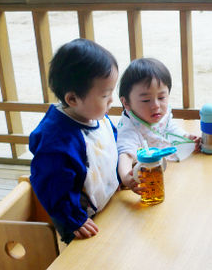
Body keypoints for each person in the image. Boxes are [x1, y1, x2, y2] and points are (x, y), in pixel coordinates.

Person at [29, 38, 119, 244]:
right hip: (77, 217)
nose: (111, 100)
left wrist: (118, 178)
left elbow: (108, 147)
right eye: (105, 94)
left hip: (106, 203)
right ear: (72, 99)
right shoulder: (57, 143)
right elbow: (53, 187)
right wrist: (73, 220)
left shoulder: (94, 115)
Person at [117, 58, 200, 191]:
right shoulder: (130, 127)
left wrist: (185, 136)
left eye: (161, 98)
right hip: (147, 177)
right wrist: (126, 178)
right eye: (146, 100)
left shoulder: (160, 114)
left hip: (167, 170)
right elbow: (125, 154)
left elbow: (168, 127)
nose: (156, 106)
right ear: (126, 103)